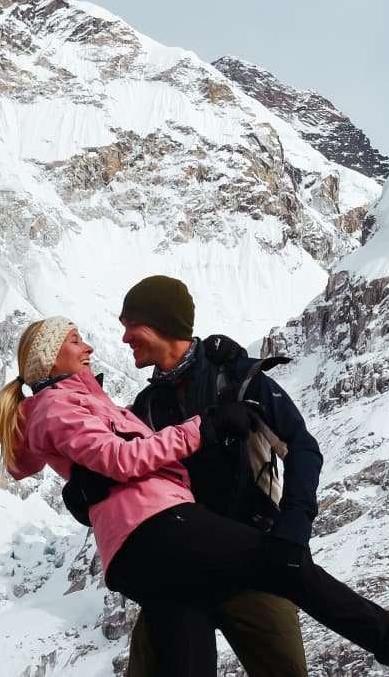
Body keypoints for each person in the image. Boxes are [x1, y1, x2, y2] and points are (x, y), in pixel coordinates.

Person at [0, 316, 389, 677]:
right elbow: (124, 460)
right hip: (159, 531)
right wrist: (205, 427)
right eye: (76, 340)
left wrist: (218, 396)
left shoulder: (91, 401)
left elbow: (126, 461)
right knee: (283, 563)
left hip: (148, 551)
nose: (94, 346)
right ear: (49, 357)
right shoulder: (59, 405)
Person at [113, 274, 319, 677]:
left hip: (254, 559)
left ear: (159, 326)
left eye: (130, 327)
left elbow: (301, 447)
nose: (124, 339)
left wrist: (292, 532)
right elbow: (117, 468)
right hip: (178, 572)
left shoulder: (240, 381)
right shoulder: (148, 406)